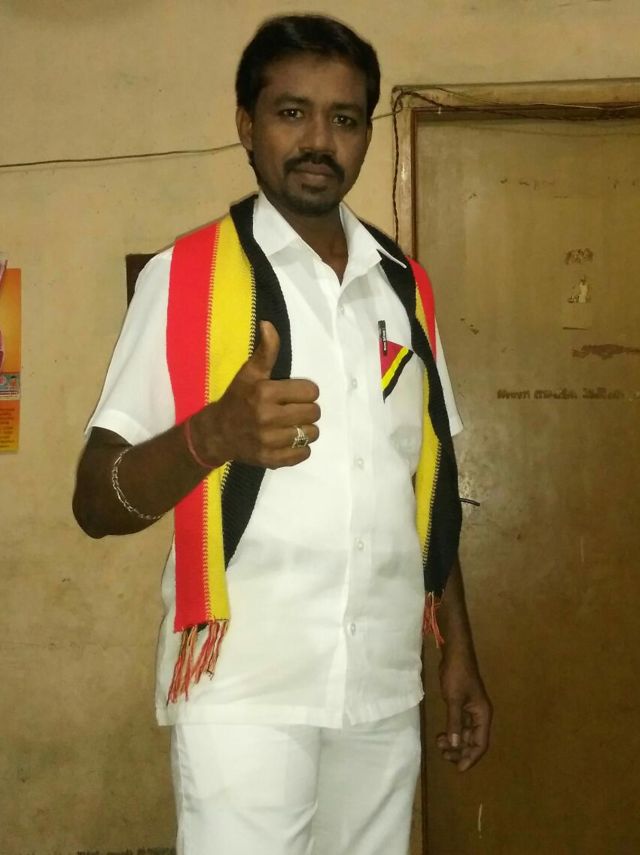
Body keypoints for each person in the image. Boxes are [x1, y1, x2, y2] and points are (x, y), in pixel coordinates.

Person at [73, 14, 491, 855]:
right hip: (245, 691)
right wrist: (211, 436)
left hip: (380, 690)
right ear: (246, 125)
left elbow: (425, 485)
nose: (318, 141)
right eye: (292, 112)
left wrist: (457, 652)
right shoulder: (186, 278)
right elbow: (96, 499)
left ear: (365, 133)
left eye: (344, 118)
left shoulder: (403, 288)